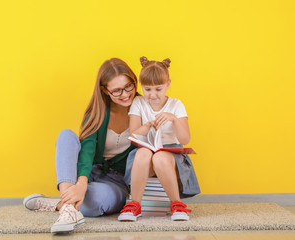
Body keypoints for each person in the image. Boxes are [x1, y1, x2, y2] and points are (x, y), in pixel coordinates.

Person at [23, 58, 139, 233]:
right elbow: (87, 150)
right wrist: (81, 183)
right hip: (87, 173)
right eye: (117, 90)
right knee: (66, 135)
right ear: (105, 90)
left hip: (117, 183)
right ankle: (70, 208)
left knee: (95, 202)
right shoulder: (98, 111)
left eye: (129, 86)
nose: (125, 94)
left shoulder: (145, 107)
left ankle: (61, 204)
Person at [118, 57, 201, 222]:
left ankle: (177, 204)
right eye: (147, 89)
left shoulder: (176, 105)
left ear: (168, 84)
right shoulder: (138, 103)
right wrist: (146, 126)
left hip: (171, 156)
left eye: (158, 89)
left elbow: (185, 138)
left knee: (160, 157)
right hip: (146, 153)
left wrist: (174, 119)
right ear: (141, 86)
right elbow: (133, 138)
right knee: (142, 153)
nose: (153, 95)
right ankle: (135, 204)